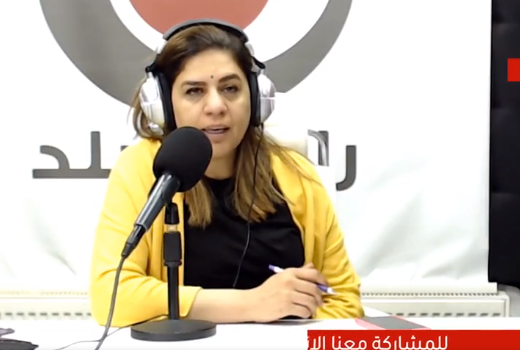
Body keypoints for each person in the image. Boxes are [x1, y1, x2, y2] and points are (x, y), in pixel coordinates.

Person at [88, 19, 363, 327]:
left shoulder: (298, 175)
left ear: (256, 97)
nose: (216, 106)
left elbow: (344, 301)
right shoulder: (144, 169)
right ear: (164, 104)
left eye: (230, 88)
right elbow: (112, 295)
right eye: (194, 91)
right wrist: (253, 304)